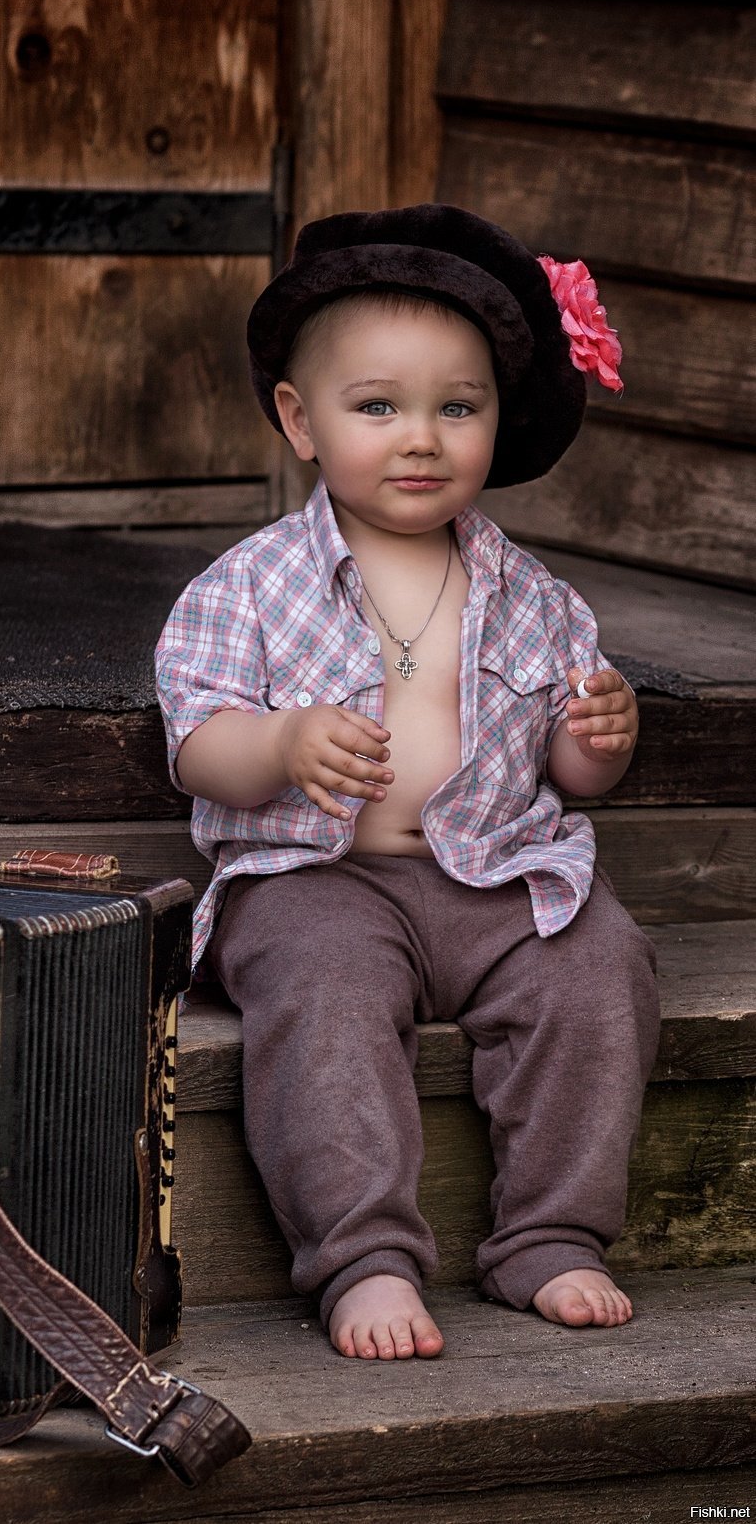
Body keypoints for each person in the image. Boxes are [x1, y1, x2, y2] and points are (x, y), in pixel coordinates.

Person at [154, 205, 660, 1364]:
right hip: (315, 878)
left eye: (457, 407)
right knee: (322, 995)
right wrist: (278, 746)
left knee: (597, 963)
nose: (418, 437)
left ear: (494, 421)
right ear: (300, 419)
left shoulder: (528, 593)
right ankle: (360, 1256)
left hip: (491, 871)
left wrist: (600, 735)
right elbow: (195, 742)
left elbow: (569, 775)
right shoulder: (245, 586)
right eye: (375, 406)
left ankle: (551, 1235)